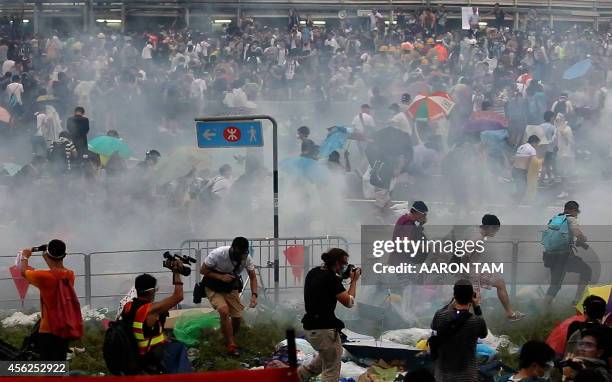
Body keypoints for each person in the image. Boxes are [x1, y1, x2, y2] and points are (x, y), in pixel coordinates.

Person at [298, 248, 360, 382]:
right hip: (325, 329)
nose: (345, 267)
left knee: (328, 356)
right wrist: (354, 281)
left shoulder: (314, 272)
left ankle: (301, 375)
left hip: (311, 327)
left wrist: (342, 277)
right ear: (337, 263)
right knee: (332, 369)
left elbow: (326, 286)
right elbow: (349, 302)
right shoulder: (331, 279)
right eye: (344, 263)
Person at [121, 270, 192, 374]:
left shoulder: (128, 306)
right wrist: (176, 273)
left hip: (133, 354)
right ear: (150, 291)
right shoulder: (151, 310)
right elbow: (178, 296)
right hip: (151, 356)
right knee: (179, 348)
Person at [19, 240, 78, 361]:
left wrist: (24, 256)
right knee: (58, 366)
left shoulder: (43, 277)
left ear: (47, 255)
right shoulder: (70, 275)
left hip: (48, 331)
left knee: (49, 370)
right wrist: (47, 254)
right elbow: (55, 268)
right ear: (64, 255)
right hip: (64, 329)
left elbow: (23, 272)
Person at [200, 237, 257, 356]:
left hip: (230, 287)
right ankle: (231, 345)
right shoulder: (218, 254)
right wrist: (221, 277)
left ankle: (226, 338)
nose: (242, 256)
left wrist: (254, 295)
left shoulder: (247, 258)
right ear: (233, 249)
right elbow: (203, 270)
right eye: (239, 253)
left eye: (244, 253)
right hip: (213, 286)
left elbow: (252, 277)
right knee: (224, 310)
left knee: (237, 317)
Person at [461, 214, 525, 321]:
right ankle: (467, 325)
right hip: (472, 273)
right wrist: (465, 271)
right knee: (474, 301)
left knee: (500, 283)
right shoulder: (478, 238)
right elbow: (464, 254)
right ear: (490, 227)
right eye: (496, 229)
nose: (496, 232)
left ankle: (510, 313)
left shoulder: (473, 230)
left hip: (475, 269)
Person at [431, 279, 487, 382]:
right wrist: (477, 306)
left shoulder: (440, 315)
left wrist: (450, 304)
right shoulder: (476, 321)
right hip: (467, 376)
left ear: (454, 296)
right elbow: (483, 333)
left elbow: (434, 326)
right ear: (471, 297)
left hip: (443, 376)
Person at [543, 201, 592, 307]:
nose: (577, 214)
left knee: (555, 285)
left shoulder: (556, 218)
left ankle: (545, 307)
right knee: (586, 270)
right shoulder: (571, 219)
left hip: (550, 255)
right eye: (577, 212)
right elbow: (576, 232)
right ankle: (576, 300)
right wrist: (583, 239)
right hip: (564, 257)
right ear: (573, 210)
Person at [512, 135, 540, 202]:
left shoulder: (521, 146)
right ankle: (513, 203)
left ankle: (514, 201)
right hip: (521, 171)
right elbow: (535, 162)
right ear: (533, 142)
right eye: (537, 144)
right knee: (522, 189)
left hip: (515, 170)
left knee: (519, 187)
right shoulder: (531, 149)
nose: (537, 146)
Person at [540, 110, 557, 183]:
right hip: (549, 149)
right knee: (547, 164)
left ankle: (549, 178)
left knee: (544, 164)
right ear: (550, 118)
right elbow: (555, 138)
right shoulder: (553, 127)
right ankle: (542, 180)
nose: (554, 119)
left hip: (541, 148)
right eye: (553, 117)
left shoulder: (540, 126)